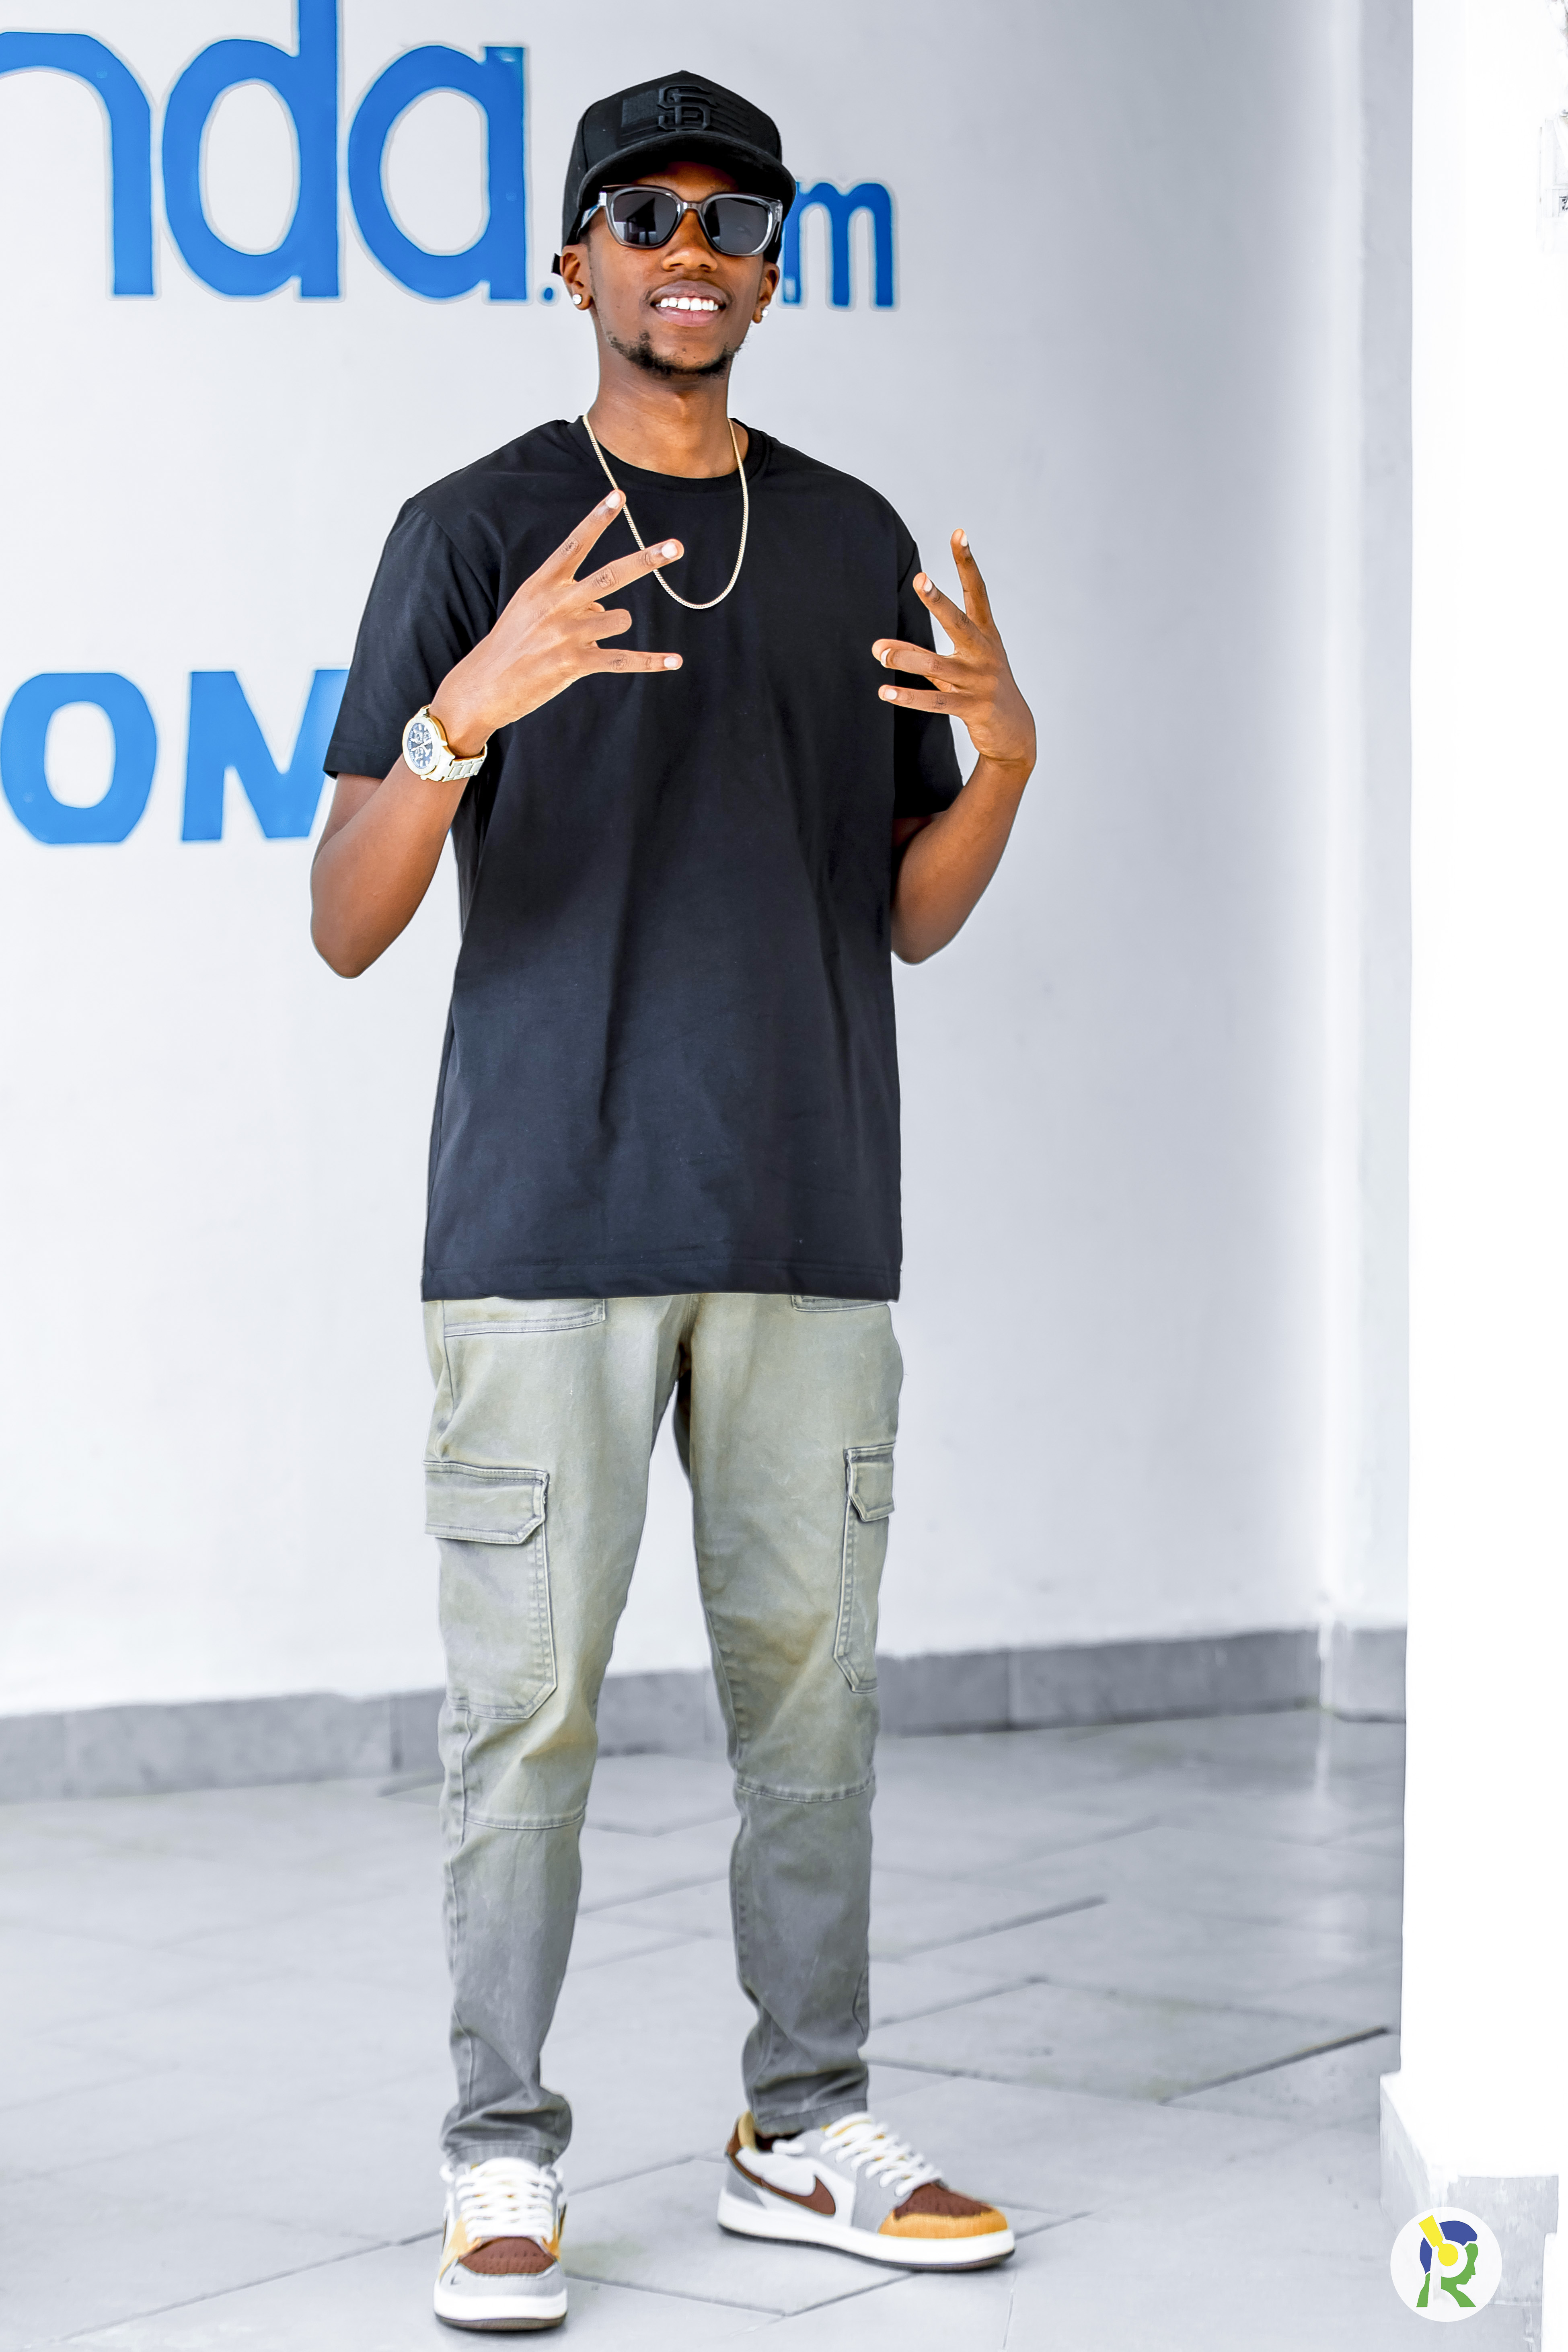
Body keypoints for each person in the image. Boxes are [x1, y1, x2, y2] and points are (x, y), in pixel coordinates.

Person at [312, 69, 1036, 2336]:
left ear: (776, 262)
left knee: (815, 1709)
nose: (691, 248)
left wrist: (1008, 764)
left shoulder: (846, 538)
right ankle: (499, 2152)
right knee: (524, 1715)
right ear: (576, 260)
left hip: (811, 1214)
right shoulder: (469, 532)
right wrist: (462, 715)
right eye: (647, 215)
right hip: (545, 1223)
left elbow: (906, 913)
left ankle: (803, 2126)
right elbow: (344, 920)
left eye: (736, 216)